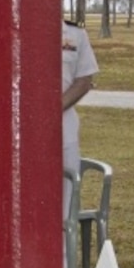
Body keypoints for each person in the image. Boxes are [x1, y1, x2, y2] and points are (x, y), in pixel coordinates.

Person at [61, 13, 98, 230]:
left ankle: (63, 264)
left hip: (64, 127)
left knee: (65, 207)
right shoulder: (17, 29)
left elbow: (84, 80)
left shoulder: (75, 34)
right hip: (23, 128)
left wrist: (51, 112)